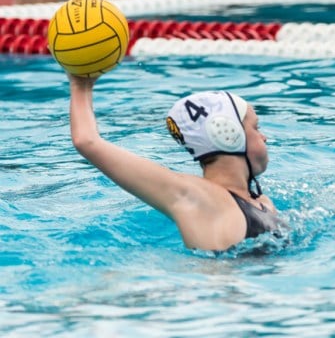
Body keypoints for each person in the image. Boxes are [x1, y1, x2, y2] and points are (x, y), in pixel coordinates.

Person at [68, 74, 283, 251]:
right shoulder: (197, 197)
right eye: (256, 128)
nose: (264, 137)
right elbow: (87, 141)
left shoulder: (262, 202)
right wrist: (80, 83)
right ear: (228, 133)